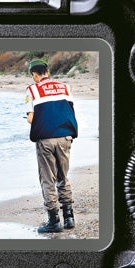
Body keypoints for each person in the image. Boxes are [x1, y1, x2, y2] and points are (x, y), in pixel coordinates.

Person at [24, 58, 78, 234]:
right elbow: (69, 111)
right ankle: (69, 217)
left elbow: (32, 119)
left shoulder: (32, 90)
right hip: (65, 137)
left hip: (46, 139)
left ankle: (54, 221)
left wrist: (31, 119)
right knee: (63, 176)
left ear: (34, 74)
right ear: (47, 71)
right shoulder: (65, 87)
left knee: (48, 179)